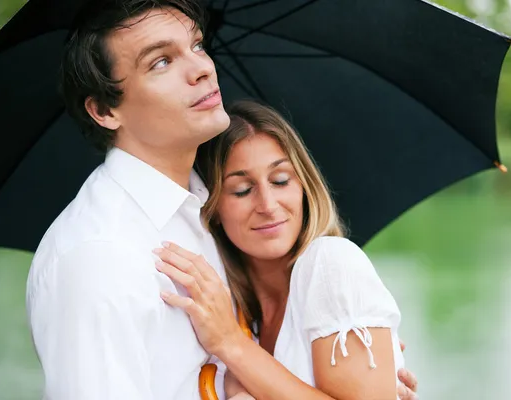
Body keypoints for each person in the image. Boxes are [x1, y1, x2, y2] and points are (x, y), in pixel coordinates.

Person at [24, 0, 419, 399]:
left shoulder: (207, 214)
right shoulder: (98, 257)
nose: (201, 69)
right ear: (105, 109)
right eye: (161, 62)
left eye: (197, 45)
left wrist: (348, 362)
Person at [154, 100, 415, 400]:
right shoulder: (236, 312)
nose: (267, 205)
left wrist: (232, 345)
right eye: (242, 190)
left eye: (280, 180)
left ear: (304, 185)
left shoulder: (331, 262)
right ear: (212, 207)